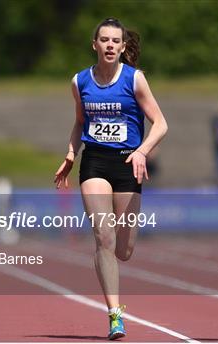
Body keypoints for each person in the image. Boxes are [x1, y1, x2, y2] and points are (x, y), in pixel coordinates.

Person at [53, 17, 168, 340]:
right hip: (95, 163)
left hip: (128, 163)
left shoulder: (135, 80)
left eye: (115, 41)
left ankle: (117, 263)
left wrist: (143, 151)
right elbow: (80, 123)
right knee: (103, 236)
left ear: (123, 46)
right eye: (104, 40)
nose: (109, 45)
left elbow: (160, 123)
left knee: (124, 249)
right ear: (95, 44)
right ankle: (114, 315)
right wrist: (71, 155)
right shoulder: (80, 81)